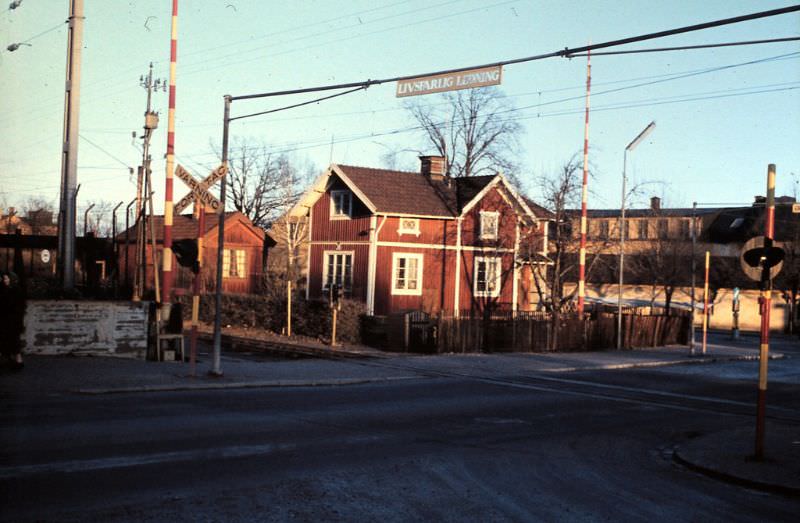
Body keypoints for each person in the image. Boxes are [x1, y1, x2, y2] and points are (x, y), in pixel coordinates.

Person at [0, 271, 26, 370]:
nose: (5, 281)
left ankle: (17, 361)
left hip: (12, 320)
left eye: (7, 279)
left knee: (13, 341)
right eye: (4, 279)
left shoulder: (16, 291)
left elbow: (17, 307)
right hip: (6, 320)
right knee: (8, 341)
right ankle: (13, 361)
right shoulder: (5, 290)